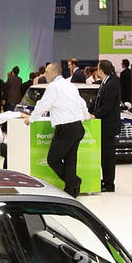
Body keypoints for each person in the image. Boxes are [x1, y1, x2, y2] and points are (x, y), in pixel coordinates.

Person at [24, 61, 88, 197]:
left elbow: (43, 105)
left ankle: (74, 182)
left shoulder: (54, 87)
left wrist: (31, 118)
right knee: (71, 159)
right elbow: (82, 103)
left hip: (66, 128)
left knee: (53, 159)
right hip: (77, 127)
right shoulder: (70, 85)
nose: (44, 74)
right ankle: (71, 190)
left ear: (54, 73)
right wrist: (86, 116)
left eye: (47, 72)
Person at [89, 60, 122, 192]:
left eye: (98, 68)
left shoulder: (112, 83)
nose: (97, 71)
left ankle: (109, 184)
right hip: (104, 126)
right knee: (104, 155)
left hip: (108, 126)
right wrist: (89, 111)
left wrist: (95, 115)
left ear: (101, 70)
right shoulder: (106, 81)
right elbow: (98, 100)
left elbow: (107, 106)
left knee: (108, 157)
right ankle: (106, 180)